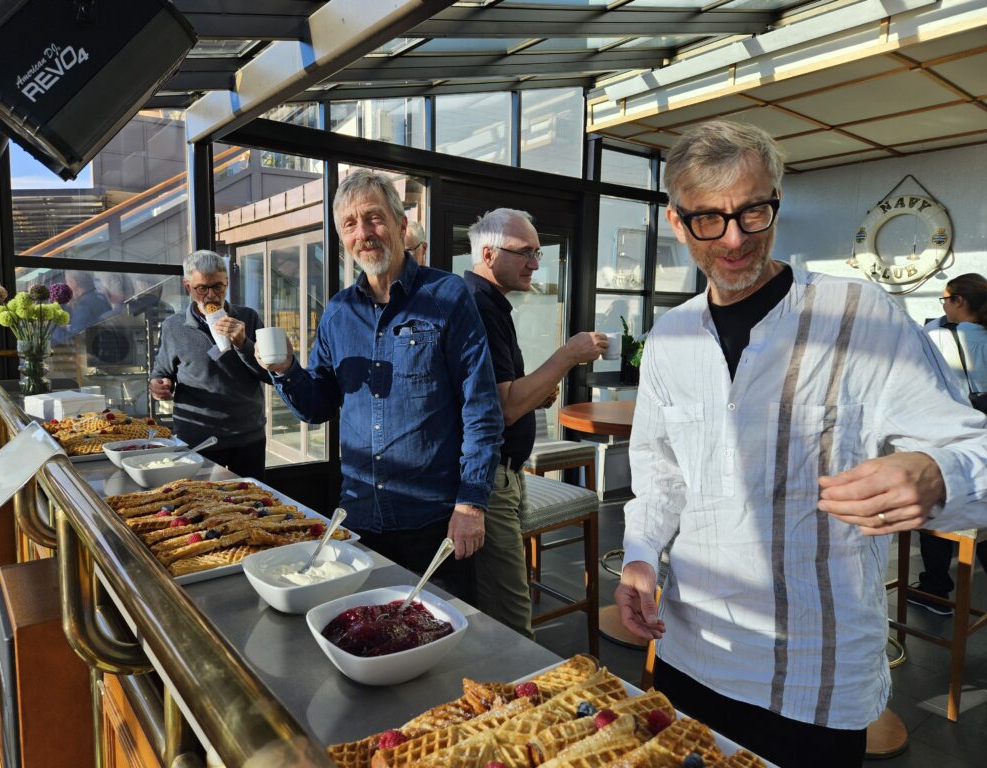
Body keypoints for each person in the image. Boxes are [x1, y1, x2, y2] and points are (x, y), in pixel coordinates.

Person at [613, 120, 987, 767]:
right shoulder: (670, 338)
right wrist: (642, 554)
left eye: (752, 211)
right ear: (678, 224)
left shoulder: (860, 318)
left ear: (775, 204)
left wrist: (935, 473)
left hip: (815, 676)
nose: (734, 239)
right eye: (708, 218)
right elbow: (660, 470)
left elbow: (974, 451)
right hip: (689, 649)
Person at [255, 170, 502, 602]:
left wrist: (471, 503)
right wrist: (287, 369)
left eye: (374, 218)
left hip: (435, 520)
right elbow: (317, 407)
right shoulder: (337, 312)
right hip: (358, 520)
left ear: (402, 226)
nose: (363, 233)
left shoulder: (447, 296)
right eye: (350, 224)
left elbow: (480, 407)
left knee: (441, 643)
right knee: (369, 635)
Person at [464, 208, 608, 636]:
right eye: (525, 252)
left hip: (504, 471)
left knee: (501, 597)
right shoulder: (478, 305)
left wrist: (533, 394)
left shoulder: (487, 301)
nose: (535, 262)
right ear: (488, 254)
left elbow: (501, 397)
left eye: (537, 251)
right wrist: (568, 355)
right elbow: (506, 408)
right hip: (490, 478)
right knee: (510, 617)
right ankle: (515, 695)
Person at [149, 250, 272, 479]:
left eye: (218, 286)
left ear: (227, 282)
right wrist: (159, 385)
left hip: (247, 434)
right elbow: (161, 372)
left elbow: (269, 375)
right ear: (188, 287)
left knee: (253, 505)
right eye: (202, 289)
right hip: (197, 437)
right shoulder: (173, 326)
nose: (211, 295)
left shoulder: (248, 317)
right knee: (200, 506)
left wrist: (243, 343)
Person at [914, 274, 987, 613]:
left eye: (945, 299)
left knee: (937, 512)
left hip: (948, 437)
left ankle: (935, 590)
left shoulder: (933, 337)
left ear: (959, 301)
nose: (942, 306)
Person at [52, 271, 112, 344]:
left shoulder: (83, 307)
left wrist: (49, 327)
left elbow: (73, 341)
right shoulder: (101, 298)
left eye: (67, 281)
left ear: (73, 283)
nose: (66, 285)